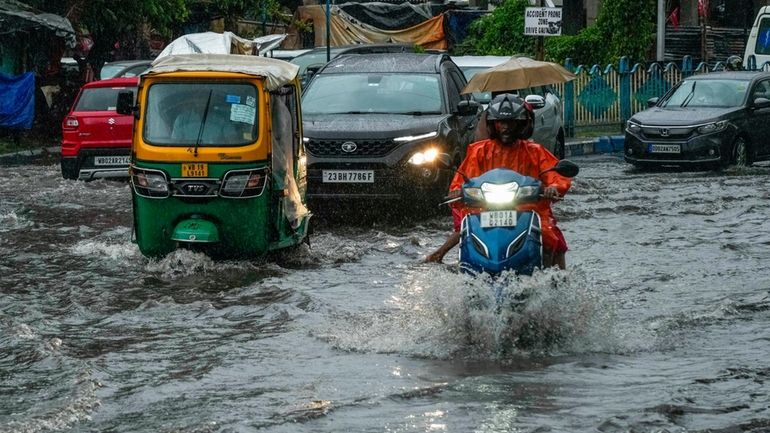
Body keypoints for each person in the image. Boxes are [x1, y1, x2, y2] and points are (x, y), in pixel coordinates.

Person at [425, 93, 572, 269]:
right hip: (484, 207)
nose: (505, 127)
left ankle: (557, 279)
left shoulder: (535, 151)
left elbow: (556, 175)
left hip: (527, 209)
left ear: (521, 124)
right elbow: (461, 179)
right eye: (501, 122)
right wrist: (457, 191)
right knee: (467, 232)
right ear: (493, 124)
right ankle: (465, 267)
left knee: (550, 236)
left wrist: (553, 188)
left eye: (510, 122)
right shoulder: (479, 152)